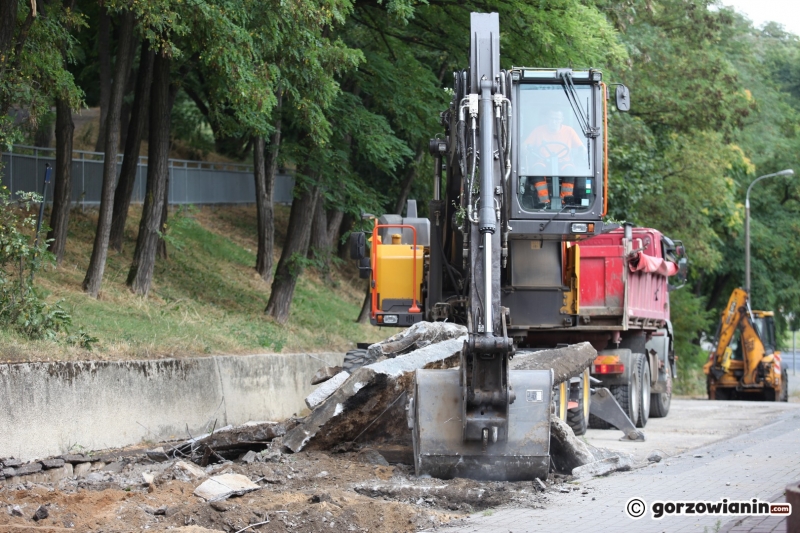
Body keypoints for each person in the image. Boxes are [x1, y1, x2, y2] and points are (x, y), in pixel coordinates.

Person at [523, 109, 585, 206]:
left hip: (564, 162)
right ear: (547, 119)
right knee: (536, 169)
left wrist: (583, 153)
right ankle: (544, 201)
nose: (554, 121)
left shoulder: (569, 131)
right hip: (543, 160)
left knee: (570, 170)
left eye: (557, 119)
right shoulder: (538, 131)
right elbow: (525, 145)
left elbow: (582, 148)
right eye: (551, 118)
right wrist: (525, 149)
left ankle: (565, 200)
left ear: (562, 119)